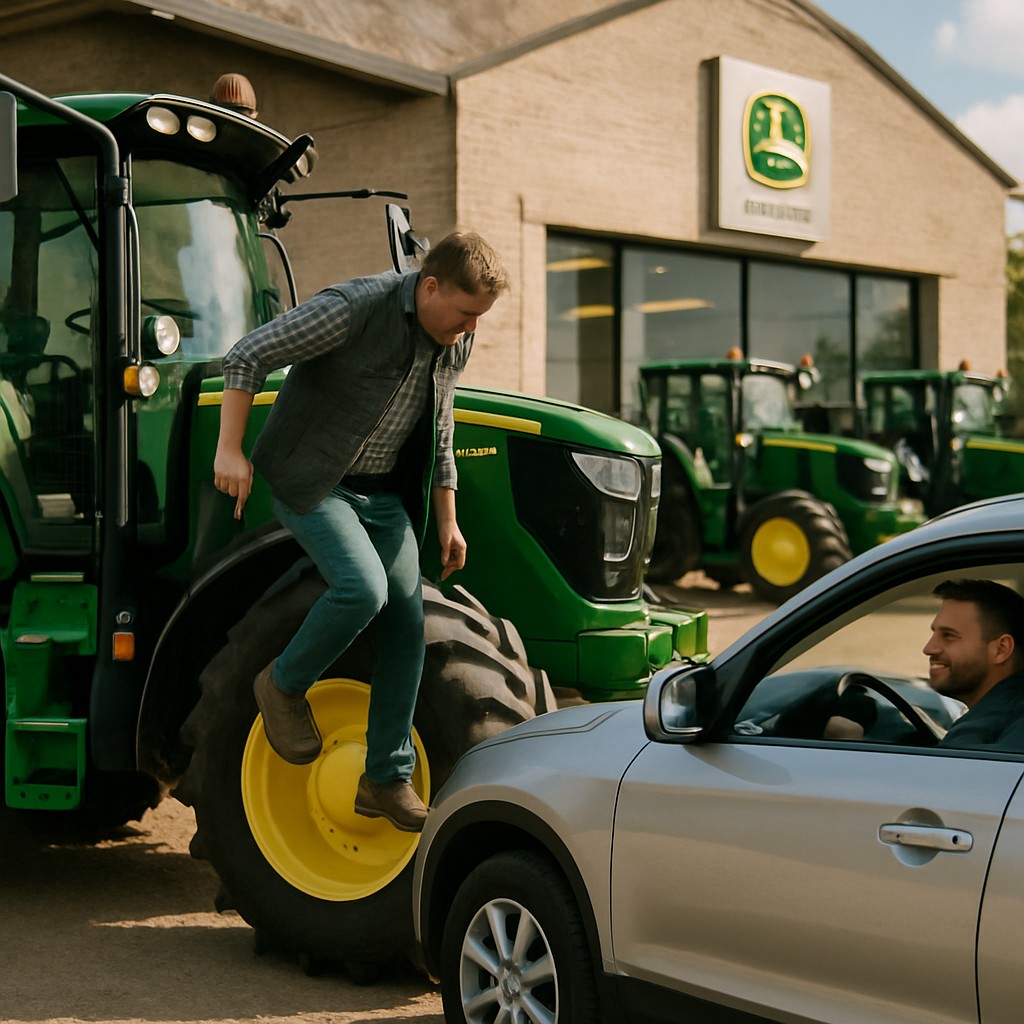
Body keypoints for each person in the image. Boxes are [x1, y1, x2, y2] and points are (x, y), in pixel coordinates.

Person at [213, 232, 510, 831]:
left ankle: (384, 777)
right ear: (430, 287)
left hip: (380, 496)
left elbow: (442, 433)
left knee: (408, 620)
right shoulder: (352, 308)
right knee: (362, 589)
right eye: (465, 312)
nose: (471, 327)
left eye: (480, 317)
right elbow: (246, 355)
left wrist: (448, 521)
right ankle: (282, 684)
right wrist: (230, 450)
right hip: (312, 481)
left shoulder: (455, 338)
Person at [923, 578, 1024, 751]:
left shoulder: (980, 740)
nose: (929, 648)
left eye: (949, 635)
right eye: (934, 634)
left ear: (1001, 649)